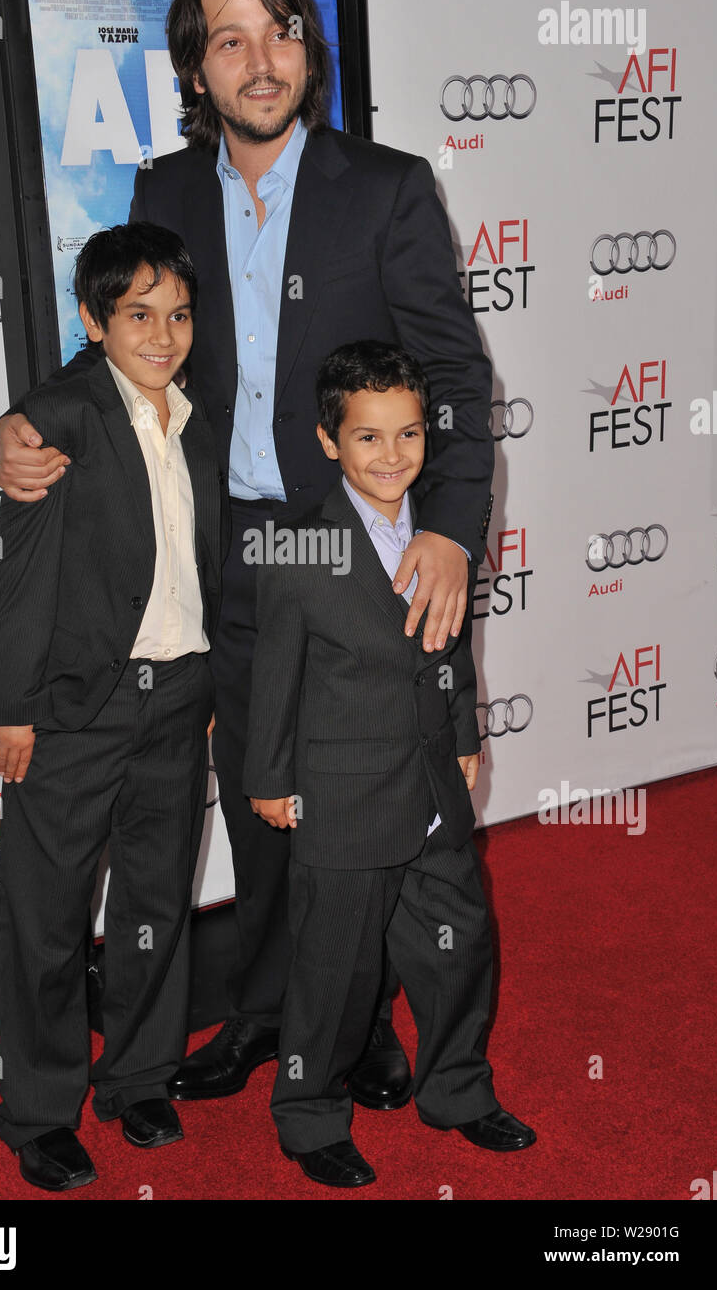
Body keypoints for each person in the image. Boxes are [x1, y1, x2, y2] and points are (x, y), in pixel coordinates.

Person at [0, 0, 495, 1111]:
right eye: (231, 39)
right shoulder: (163, 192)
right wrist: (32, 423)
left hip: (346, 550)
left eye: (280, 32)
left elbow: (459, 379)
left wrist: (454, 533)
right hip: (223, 552)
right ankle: (274, 1013)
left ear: (306, 50)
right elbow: (126, 350)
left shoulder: (387, 186)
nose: (260, 60)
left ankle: (363, 1021)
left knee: (367, 792)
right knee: (263, 798)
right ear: (198, 68)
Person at [0, 223, 225, 1191]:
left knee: (157, 901)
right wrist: (13, 708)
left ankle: (141, 1076)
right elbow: (20, 576)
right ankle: (37, 1110)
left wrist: (207, 684)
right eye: (137, 315)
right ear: (92, 319)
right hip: (76, 707)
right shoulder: (57, 418)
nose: (161, 335)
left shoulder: (205, 412)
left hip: (179, 692)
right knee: (47, 917)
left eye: (178, 314)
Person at [244, 342, 534, 1189]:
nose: (392, 456)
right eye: (369, 438)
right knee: (336, 971)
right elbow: (274, 674)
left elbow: (449, 646)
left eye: (408, 434)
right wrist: (267, 778)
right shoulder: (298, 546)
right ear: (331, 442)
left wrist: (465, 729)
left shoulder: (442, 532)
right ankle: (306, 1115)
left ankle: (457, 1091)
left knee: (458, 945)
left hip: (433, 783)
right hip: (341, 795)